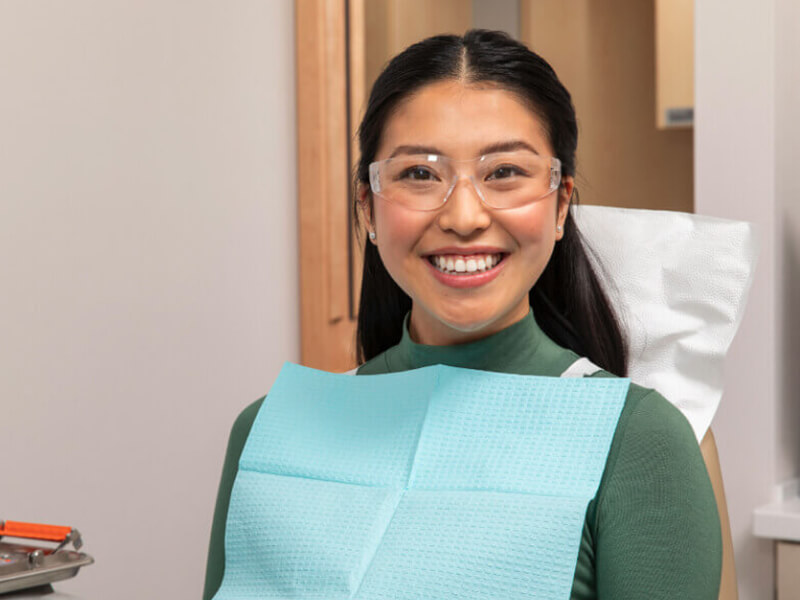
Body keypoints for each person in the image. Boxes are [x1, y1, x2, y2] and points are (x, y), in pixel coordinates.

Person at [204, 29, 722, 599]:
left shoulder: (638, 441)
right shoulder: (266, 433)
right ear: (368, 208)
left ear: (560, 204)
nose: (464, 217)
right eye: (419, 174)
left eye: (504, 172)